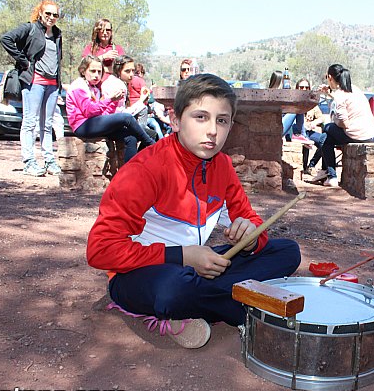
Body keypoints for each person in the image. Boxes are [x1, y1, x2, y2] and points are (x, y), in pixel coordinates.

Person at [86, 74, 301, 349]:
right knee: (174, 289)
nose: (212, 130)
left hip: (198, 267)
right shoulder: (144, 170)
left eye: (221, 120)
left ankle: (207, 305)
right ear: (175, 120)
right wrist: (182, 256)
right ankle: (238, 304)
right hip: (142, 275)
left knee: (287, 252)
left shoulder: (221, 166)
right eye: (201, 117)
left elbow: (252, 221)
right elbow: (100, 251)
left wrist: (250, 236)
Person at [0, 0, 63, 177]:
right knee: (30, 122)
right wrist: (24, 61)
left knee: (47, 124)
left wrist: (59, 82)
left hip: (52, 84)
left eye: (55, 14)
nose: (51, 17)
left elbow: (58, 59)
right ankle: (29, 162)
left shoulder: (58, 34)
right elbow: (6, 39)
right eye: (48, 13)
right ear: (40, 13)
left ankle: (49, 161)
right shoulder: (30, 29)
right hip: (34, 81)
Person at [65, 55, 155, 163]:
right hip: (82, 125)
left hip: (94, 122)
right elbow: (89, 111)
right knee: (126, 117)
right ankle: (151, 144)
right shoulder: (78, 86)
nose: (96, 75)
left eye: (99, 72)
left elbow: (103, 112)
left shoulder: (94, 87)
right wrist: (110, 99)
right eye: (93, 71)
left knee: (131, 137)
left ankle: (129, 173)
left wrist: (114, 100)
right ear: (83, 71)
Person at [315, 64, 374, 187]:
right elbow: (343, 101)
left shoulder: (340, 95)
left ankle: (331, 175)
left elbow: (344, 123)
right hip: (370, 135)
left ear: (330, 77)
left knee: (327, 129)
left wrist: (334, 122)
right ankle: (329, 174)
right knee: (326, 138)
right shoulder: (354, 89)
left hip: (356, 135)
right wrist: (329, 93)